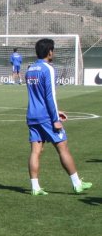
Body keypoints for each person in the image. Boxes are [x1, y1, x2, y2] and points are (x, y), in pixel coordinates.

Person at [25, 37, 91, 196]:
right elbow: (50, 96)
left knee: (35, 151)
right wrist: (55, 118)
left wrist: (56, 110)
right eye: (53, 50)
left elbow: (38, 96)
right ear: (49, 52)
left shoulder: (30, 69)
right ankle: (77, 184)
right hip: (46, 117)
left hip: (32, 115)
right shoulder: (48, 69)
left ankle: (35, 187)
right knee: (63, 148)